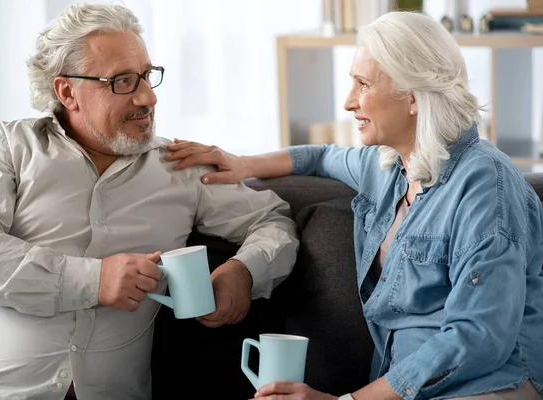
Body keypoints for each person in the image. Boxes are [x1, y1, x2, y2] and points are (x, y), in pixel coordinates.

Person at [165, 11, 543, 400]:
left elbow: (479, 337)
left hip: (491, 386)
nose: (348, 102)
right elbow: (320, 156)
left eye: (362, 84)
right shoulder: (388, 166)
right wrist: (244, 163)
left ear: (412, 96)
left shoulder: (485, 185)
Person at [0, 3, 299, 400]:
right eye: (123, 81)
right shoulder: (5, 147)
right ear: (67, 91)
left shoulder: (178, 166)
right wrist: (94, 281)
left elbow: (272, 221)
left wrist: (244, 271)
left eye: (147, 76)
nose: (148, 97)